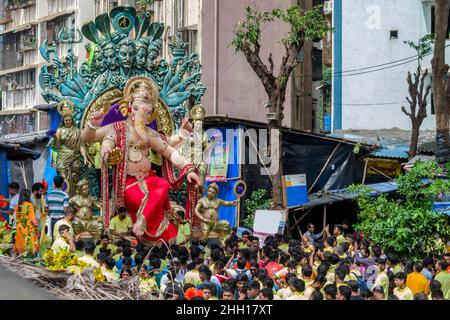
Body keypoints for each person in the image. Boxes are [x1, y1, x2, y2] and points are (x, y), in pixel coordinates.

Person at [13, 189, 38, 255]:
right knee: (30, 247)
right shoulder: (29, 205)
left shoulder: (17, 206)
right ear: (28, 196)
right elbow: (32, 218)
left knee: (21, 247)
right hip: (28, 228)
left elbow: (17, 219)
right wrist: (36, 227)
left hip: (20, 228)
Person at [45, 176, 69, 240]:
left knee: (53, 237)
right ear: (62, 184)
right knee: (61, 238)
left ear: (54, 183)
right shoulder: (65, 195)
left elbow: (46, 209)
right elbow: (65, 210)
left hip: (51, 220)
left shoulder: (49, 194)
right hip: (61, 220)